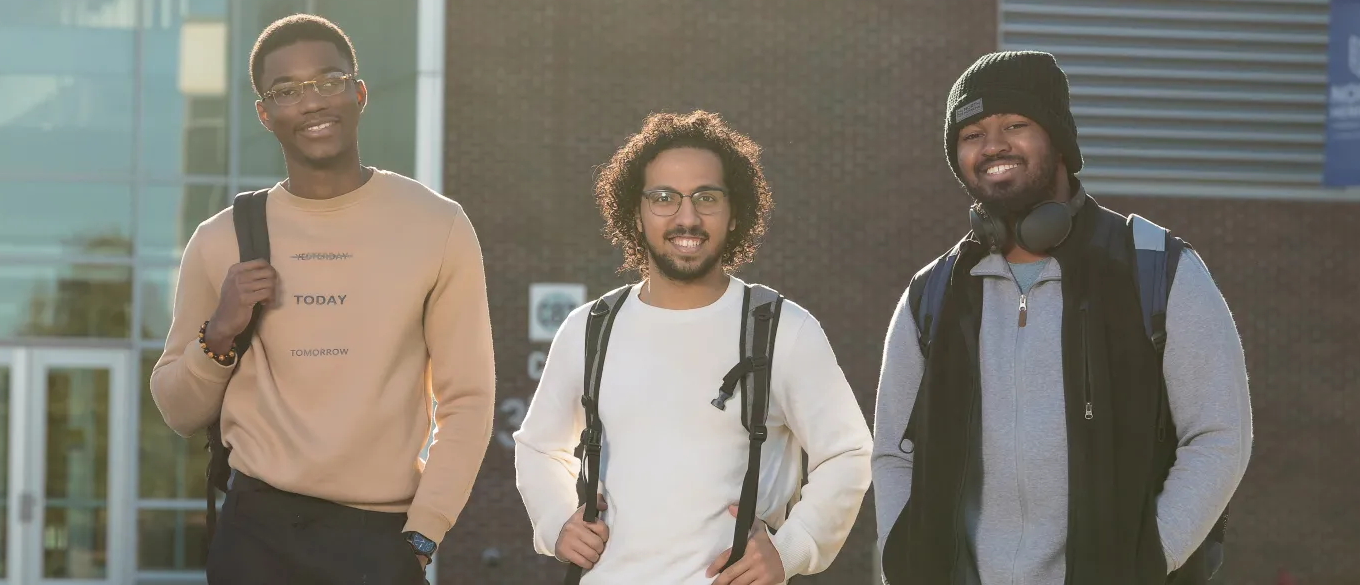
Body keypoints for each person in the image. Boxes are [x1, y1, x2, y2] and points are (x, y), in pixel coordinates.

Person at [873, 51, 1253, 584]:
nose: (993, 146)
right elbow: (893, 454)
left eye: (1015, 124)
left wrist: (1144, 562)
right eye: (972, 134)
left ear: (1059, 140)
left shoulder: (1158, 269)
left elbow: (1218, 436)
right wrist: (907, 565)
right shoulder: (933, 293)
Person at [149, 14, 495, 584]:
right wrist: (218, 335)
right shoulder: (220, 240)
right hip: (257, 531)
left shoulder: (438, 225)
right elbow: (176, 410)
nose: (311, 103)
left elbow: (468, 399)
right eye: (286, 91)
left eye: (328, 82)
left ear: (358, 93)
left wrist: (423, 532)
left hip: (380, 538)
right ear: (264, 114)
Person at [513, 111, 873, 584]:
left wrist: (792, 549)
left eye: (706, 197)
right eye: (663, 198)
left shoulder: (781, 328)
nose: (687, 217)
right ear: (635, 214)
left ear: (734, 212)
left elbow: (848, 452)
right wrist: (557, 519)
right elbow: (538, 448)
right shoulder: (590, 329)